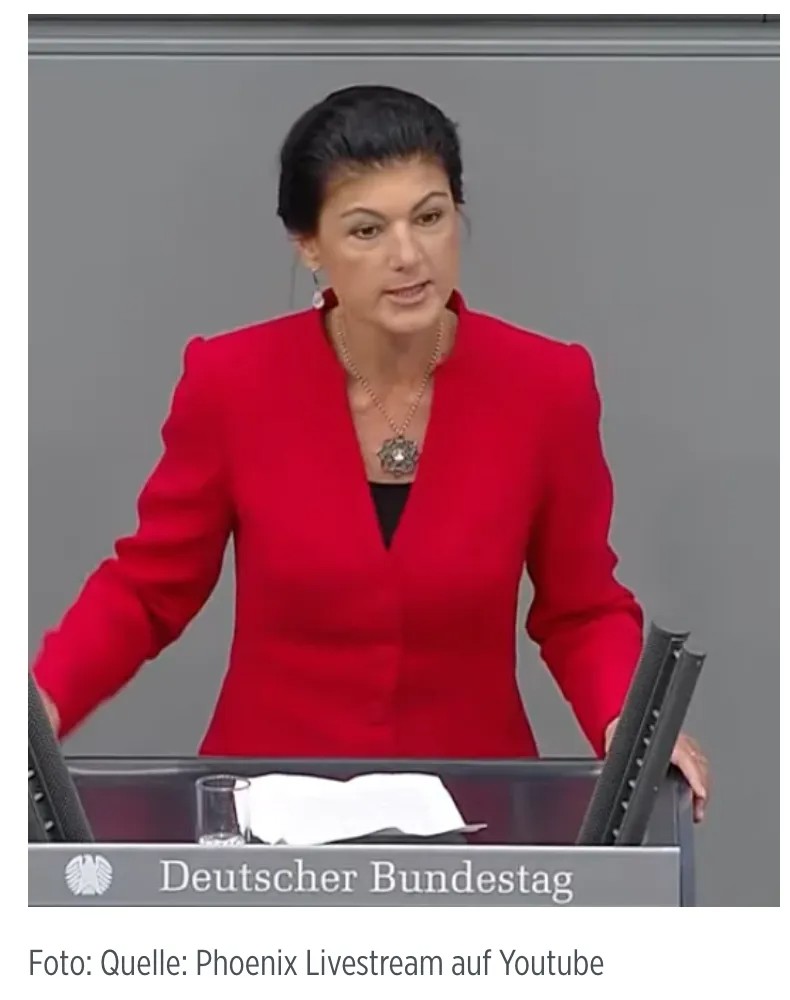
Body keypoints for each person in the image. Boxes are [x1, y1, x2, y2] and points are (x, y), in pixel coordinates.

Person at [32, 84, 709, 819]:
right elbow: (148, 589)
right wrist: (40, 707)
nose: (408, 255)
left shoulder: (547, 385)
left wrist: (629, 727)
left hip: (472, 813)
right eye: (367, 230)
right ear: (309, 245)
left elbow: (582, 608)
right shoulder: (232, 382)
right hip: (273, 812)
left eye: (430, 217)